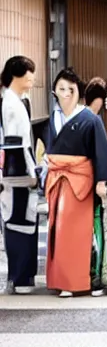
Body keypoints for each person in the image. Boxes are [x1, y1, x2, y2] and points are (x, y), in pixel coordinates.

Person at [44, 67, 107, 298]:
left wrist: (102, 180)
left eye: (70, 89)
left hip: (80, 182)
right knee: (59, 232)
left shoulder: (90, 120)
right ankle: (63, 280)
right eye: (61, 88)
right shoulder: (51, 119)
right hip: (58, 180)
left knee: (82, 234)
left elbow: (101, 152)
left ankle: (87, 279)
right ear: (54, 91)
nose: (65, 93)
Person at [0, 56, 38, 294]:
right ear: (18, 74)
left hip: (17, 175)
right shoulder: (11, 104)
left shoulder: (15, 100)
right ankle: (20, 277)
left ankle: (21, 276)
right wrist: (32, 171)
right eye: (30, 73)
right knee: (19, 222)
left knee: (20, 222)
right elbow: (14, 145)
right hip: (17, 176)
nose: (33, 78)